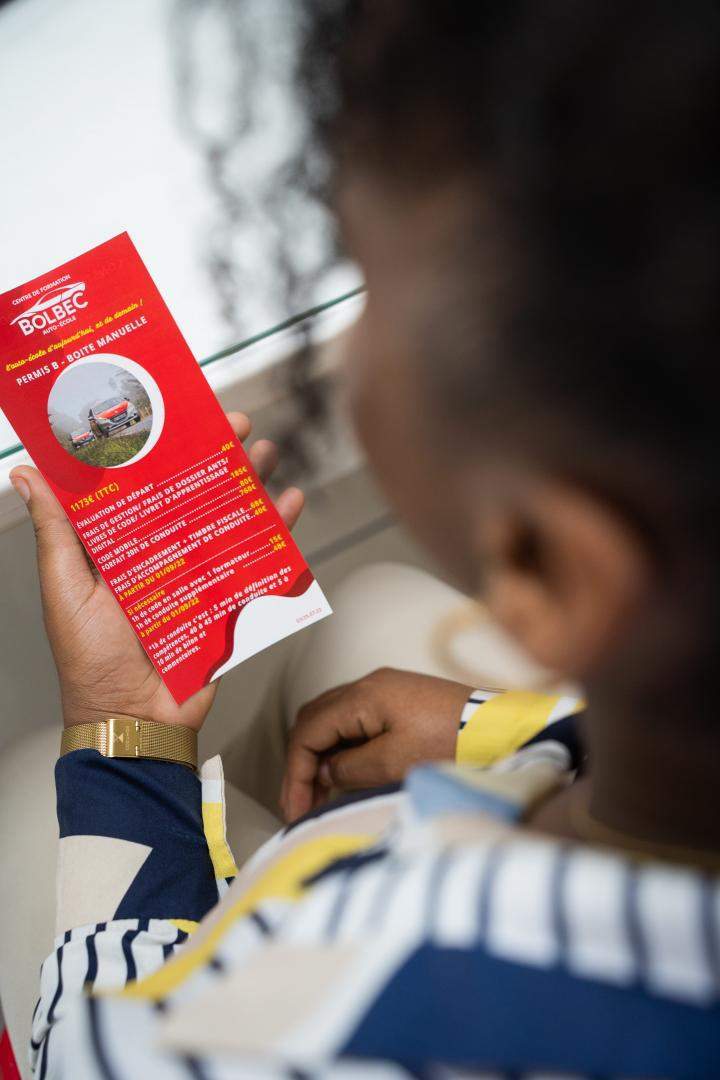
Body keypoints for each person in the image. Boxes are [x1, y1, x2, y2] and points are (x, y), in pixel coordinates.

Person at [2, 0, 720, 1075]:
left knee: (20, 801)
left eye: (370, 285)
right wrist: (531, 731)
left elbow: (88, 1046)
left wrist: (123, 738)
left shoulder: (347, 1027)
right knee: (377, 598)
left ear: (552, 566)